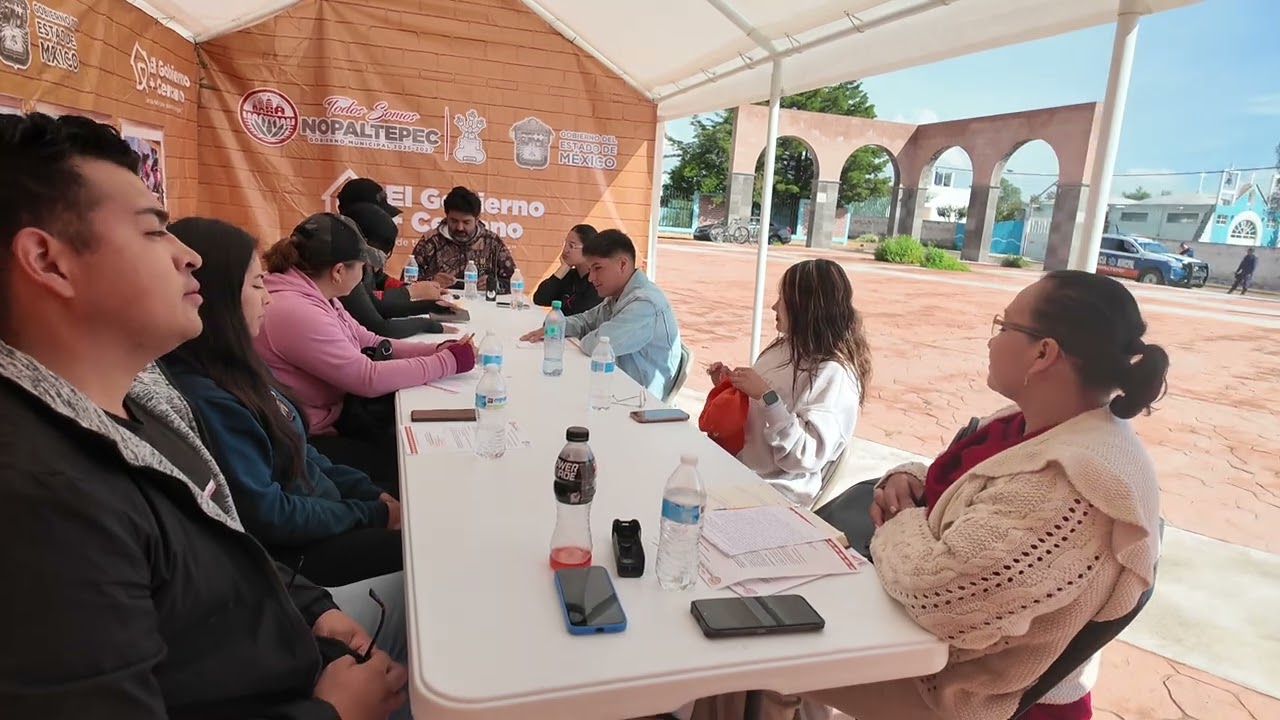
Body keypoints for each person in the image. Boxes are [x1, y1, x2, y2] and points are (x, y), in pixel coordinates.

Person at [0, 112, 406, 718]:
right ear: (49, 261)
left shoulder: (139, 404)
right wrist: (334, 714)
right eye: (151, 231)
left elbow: (225, 539)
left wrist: (311, 607)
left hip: (296, 644)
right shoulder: (41, 500)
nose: (189, 257)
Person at [678, 271, 1165, 720]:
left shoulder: (1072, 486)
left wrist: (898, 516)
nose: (993, 339)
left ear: (1044, 354)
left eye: (1004, 325)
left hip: (964, 686)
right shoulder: (1027, 426)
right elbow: (961, 480)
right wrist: (904, 478)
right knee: (743, 622)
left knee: (745, 649)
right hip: (919, 633)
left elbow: (934, 591)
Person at [161, 217, 404, 587]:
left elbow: (302, 453)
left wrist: (372, 496)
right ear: (218, 295)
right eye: (257, 284)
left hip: (324, 515)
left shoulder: (241, 369)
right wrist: (368, 513)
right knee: (426, 551)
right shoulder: (209, 397)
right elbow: (268, 513)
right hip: (298, 555)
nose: (268, 296)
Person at [254, 212, 476, 491]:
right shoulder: (295, 309)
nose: (364, 275)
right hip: (307, 440)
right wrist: (448, 362)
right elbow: (366, 377)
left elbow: (368, 340)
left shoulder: (316, 294)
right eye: (362, 267)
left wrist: (436, 350)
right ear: (338, 271)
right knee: (408, 473)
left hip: (331, 415)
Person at [705, 259, 872, 506]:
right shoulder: (785, 346)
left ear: (804, 307)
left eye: (782, 299)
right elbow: (762, 403)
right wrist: (733, 384)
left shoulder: (833, 374)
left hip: (772, 495)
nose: (774, 307)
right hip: (737, 472)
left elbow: (804, 456)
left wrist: (765, 395)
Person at [521, 229, 681, 400]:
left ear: (622, 264)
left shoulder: (645, 304)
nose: (591, 278)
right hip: (613, 388)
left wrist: (587, 335)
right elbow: (585, 321)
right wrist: (556, 326)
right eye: (590, 270)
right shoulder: (617, 295)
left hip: (638, 401)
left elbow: (597, 345)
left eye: (597, 269)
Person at [340, 200, 458, 338]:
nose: (377, 265)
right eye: (377, 257)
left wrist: (432, 306)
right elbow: (381, 327)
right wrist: (429, 324)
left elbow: (378, 306)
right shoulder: (345, 272)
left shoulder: (359, 267)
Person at [412, 185, 517, 293]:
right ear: (446, 216)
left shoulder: (492, 242)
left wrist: (494, 284)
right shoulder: (431, 241)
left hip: (482, 307)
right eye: (454, 221)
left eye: (466, 222)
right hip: (438, 305)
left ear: (477, 219)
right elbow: (407, 282)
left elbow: (514, 282)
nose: (460, 228)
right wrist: (431, 281)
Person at [533, 223, 603, 315]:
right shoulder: (569, 275)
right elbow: (540, 299)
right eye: (565, 244)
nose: (565, 249)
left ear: (588, 249)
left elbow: (580, 314)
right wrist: (563, 268)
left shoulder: (598, 280)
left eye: (571, 246)